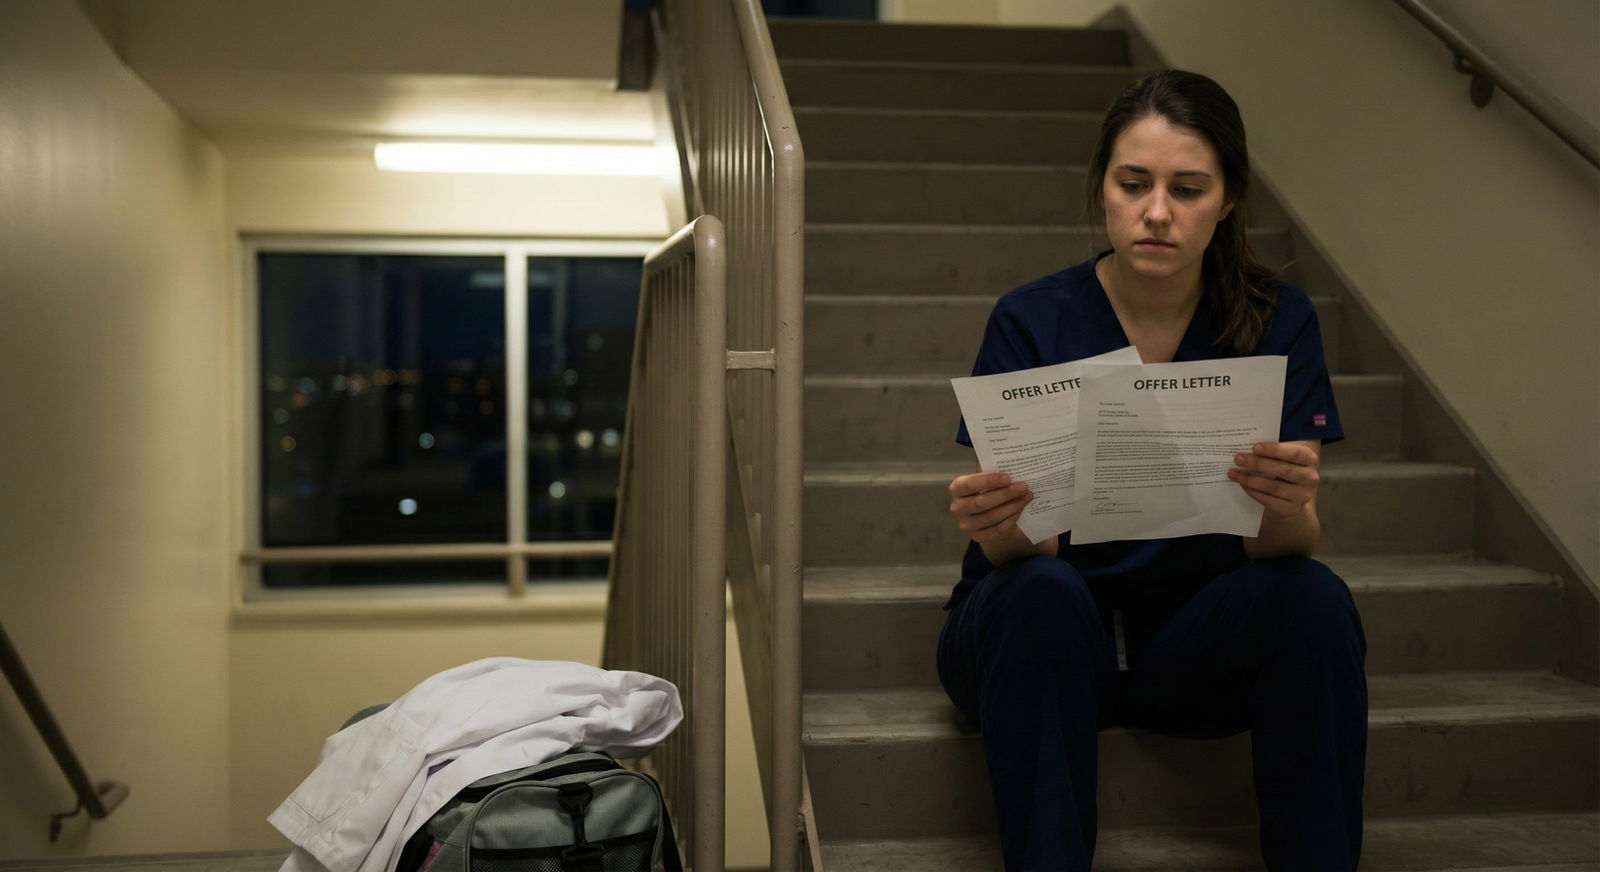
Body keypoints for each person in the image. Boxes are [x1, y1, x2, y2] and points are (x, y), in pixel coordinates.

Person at [935, 70, 1368, 872]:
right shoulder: (1031, 319)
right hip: (1037, 637)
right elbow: (1016, 559)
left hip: (1189, 646)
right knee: (1042, 595)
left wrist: (1288, 504)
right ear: (1103, 187)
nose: (1157, 212)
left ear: (1229, 198)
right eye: (1133, 184)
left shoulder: (1279, 318)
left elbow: (1290, 546)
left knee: (1315, 598)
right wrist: (999, 528)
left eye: (1188, 188)